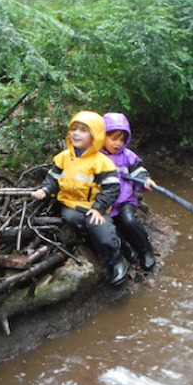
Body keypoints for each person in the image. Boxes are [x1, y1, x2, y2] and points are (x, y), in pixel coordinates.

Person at [32, 110, 130, 286]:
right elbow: (52, 178)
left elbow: (111, 188)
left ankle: (117, 260)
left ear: (95, 136)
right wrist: (45, 190)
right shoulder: (63, 157)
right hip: (71, 205)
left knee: (99, 227)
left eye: (83, 130)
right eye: (74, 129)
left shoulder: (102, 162)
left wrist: (99, 207)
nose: (76, 133)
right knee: (70, 218)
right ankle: (96, 243)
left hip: (95, 207)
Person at [101, 112, 156, 271]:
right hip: (105, 203)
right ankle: (127, 252)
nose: (117, 143)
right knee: (112, 229)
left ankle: (145, 249)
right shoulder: (96, 156)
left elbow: (138, 171)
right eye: (113, 138)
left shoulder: (128, 156)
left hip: (125, 200)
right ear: (102, 136)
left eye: (122, 140)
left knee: (129, 221)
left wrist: (145, 180)